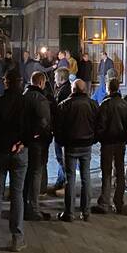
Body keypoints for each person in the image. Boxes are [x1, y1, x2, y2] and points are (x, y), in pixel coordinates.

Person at [0, 70, 39, 253]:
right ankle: (17, 237)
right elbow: (36, 127)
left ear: (6, 83)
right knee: (17, 194)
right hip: (19, 153)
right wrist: (23, 142)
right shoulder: (26, 104)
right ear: (21, 82)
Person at [55, 78, 99, 221]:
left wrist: (61, 142)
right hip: (86, 144)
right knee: (86, 177)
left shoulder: (65, 105)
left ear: (73, 90)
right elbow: (97, 124)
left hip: (71, 145)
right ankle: (86, 211)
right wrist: (93, 139)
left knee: (71, 178)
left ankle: (69, 212)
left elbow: (59, 127)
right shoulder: (92, 104)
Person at [93, 78, 127, 214]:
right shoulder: (126, 105)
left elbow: (101, 125)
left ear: (108, 88)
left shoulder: (105, 104)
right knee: (120, 171)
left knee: (107, 171)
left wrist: (100, 137)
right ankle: (119, 201)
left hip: (108, 142)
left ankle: (105, 201)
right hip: (120, 142)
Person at [22, 71, 53, 221]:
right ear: (41, 83)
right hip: (37, 143)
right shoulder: (40, 99)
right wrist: (42, 135)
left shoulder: (23, 96)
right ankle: (33, 208)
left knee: (26, 173)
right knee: (35, 173)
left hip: (24, 142)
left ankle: (23, 206)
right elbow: (44, 122)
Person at [47, 67, 72, 195]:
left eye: (56, 77)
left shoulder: (64, 91)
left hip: (62, 131)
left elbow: (59, 112)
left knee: (62, 158)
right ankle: (59, 182)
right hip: (60, 130)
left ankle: (66, 185)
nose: (54, 79)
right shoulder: (61, 89)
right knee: (60, 158)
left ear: (62, 78)